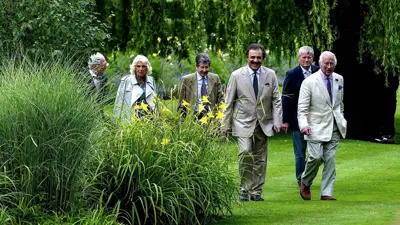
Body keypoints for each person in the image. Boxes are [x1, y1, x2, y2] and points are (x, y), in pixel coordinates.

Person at [221, 44, 282, 201]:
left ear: (263, 58)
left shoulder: (270, 75)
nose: (255, 60)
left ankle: (256, 191)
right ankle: (244, 187)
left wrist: (277, 121)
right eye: (252, 57)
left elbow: (276, 100)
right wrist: (225, 126)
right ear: (247, 57)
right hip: (242, 121)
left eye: (258, 58)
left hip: (264, 122)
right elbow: (229, 102)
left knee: (260, 157)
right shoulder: (236, 75)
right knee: (246, 152)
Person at [297, 51, 347, 201]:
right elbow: (302, 108)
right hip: (314, 127)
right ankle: (305, 182)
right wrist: (304, 125)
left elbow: (339, 104)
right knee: (316, 157)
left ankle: (326, 193)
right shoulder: (309, 82)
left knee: (330, 159)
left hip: (334, 126)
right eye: (326, 63)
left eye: (332, 63)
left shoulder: (339, 79)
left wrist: (341, 118)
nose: (329, 66)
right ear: (320, 63)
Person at [281, 46, 320, 189]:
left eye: (309, 57)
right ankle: (301, 179)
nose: (306, 60)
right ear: (299, 58)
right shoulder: (291, 74)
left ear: (313, 58)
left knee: (316, 153)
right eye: (303, 57)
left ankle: (309, 176)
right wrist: (285, 120)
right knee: (300, 152)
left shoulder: (318, 71)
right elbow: (286, 98)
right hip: (297, 118)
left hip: (316, 118)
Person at [178, 53, 224, 117]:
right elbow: (181, 103)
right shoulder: (186, 80)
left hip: (210, 117)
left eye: (206, 67)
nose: (204, 70)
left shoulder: (215, 78)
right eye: (202, 67)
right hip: (192, 117)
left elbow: (221, 99)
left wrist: (219, 116)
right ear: (196, 66)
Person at [113, 55, 157, 121]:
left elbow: (155, 101)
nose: (141, 69)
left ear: (147, 68)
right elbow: (119, 101)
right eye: (138, 66)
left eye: (143, 66)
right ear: (134, 68)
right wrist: (116, 120)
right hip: (131, 117)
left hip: (149, 118)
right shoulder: (126, 81)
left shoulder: (151, 80)